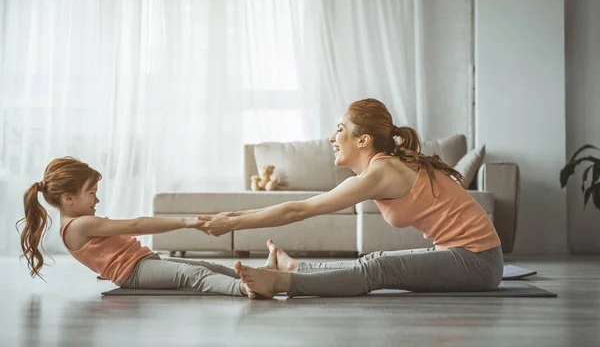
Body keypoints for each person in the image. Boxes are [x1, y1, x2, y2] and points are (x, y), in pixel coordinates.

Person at [198, 98, 504, 299]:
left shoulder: (382, 172)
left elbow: (299, 209)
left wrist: (233, 221)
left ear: (363, 140)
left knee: (380, 268)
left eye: (340, 129)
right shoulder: (383, 167)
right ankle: (295, 269)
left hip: (478, 261)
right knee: (375, 261)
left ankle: (279, 283)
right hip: (463, 255)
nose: (332, 138)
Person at [16, 156, 262, 297]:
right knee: (193, 275)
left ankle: (261, 276)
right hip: (134, 273)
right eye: (91, 193)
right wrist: (187, 222)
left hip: (144, 263)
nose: (97, 200)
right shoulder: (79, 226)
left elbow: (110, 246)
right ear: (68, 198)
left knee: (208, 266)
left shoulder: (79, 224)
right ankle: (243, 289)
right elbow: (136, 224)